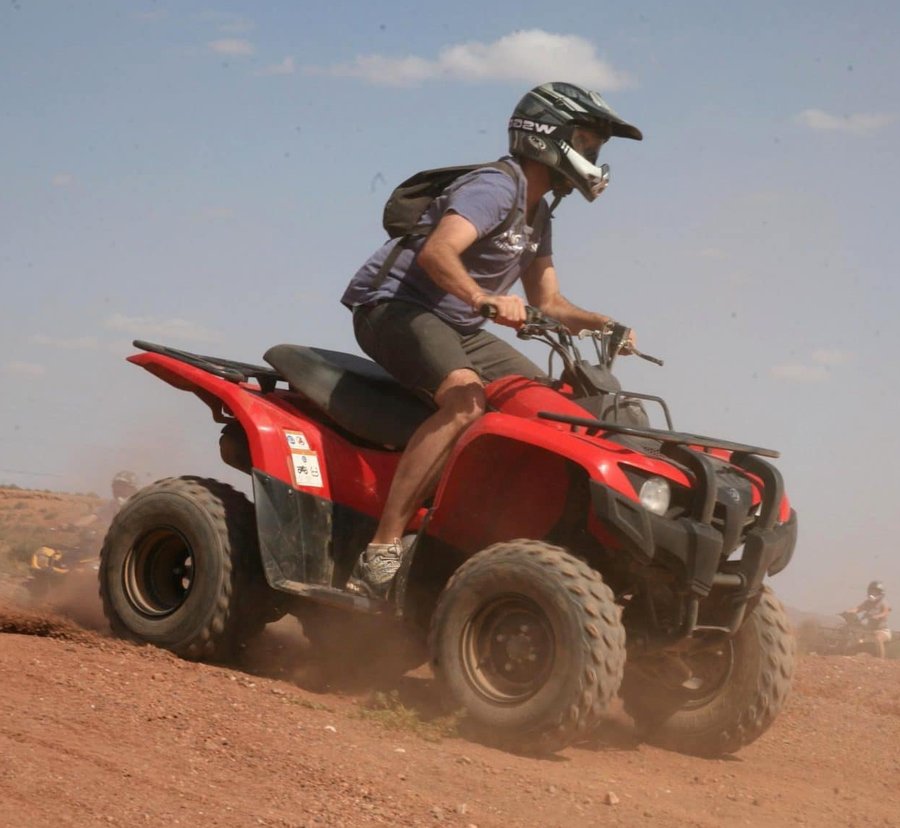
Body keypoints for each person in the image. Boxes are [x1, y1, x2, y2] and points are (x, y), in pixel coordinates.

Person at [340, 81, 643, 596]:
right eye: (590, 143)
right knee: (465, 400)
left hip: (456, 323)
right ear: (550, 136)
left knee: (547, 404)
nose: (596, 158)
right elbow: (438, 252)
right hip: (396, 307)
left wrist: (602, 323)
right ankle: (381, 551)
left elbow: (550, 303)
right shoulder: (495, 187)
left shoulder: (539, 211)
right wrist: (483, 299)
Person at [847, 581, 892, 659]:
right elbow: (858, 609)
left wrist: (877, 616)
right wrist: (848, 611)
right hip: (869, 631)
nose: (873, 594)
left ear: (880, 593)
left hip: (882, 630)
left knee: (878, 638)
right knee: (854, 638)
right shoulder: (867, 603)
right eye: (871, 591)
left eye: (875, 592)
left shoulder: (884, 603)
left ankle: (881, 660)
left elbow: (885, 613)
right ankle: (847, 655)